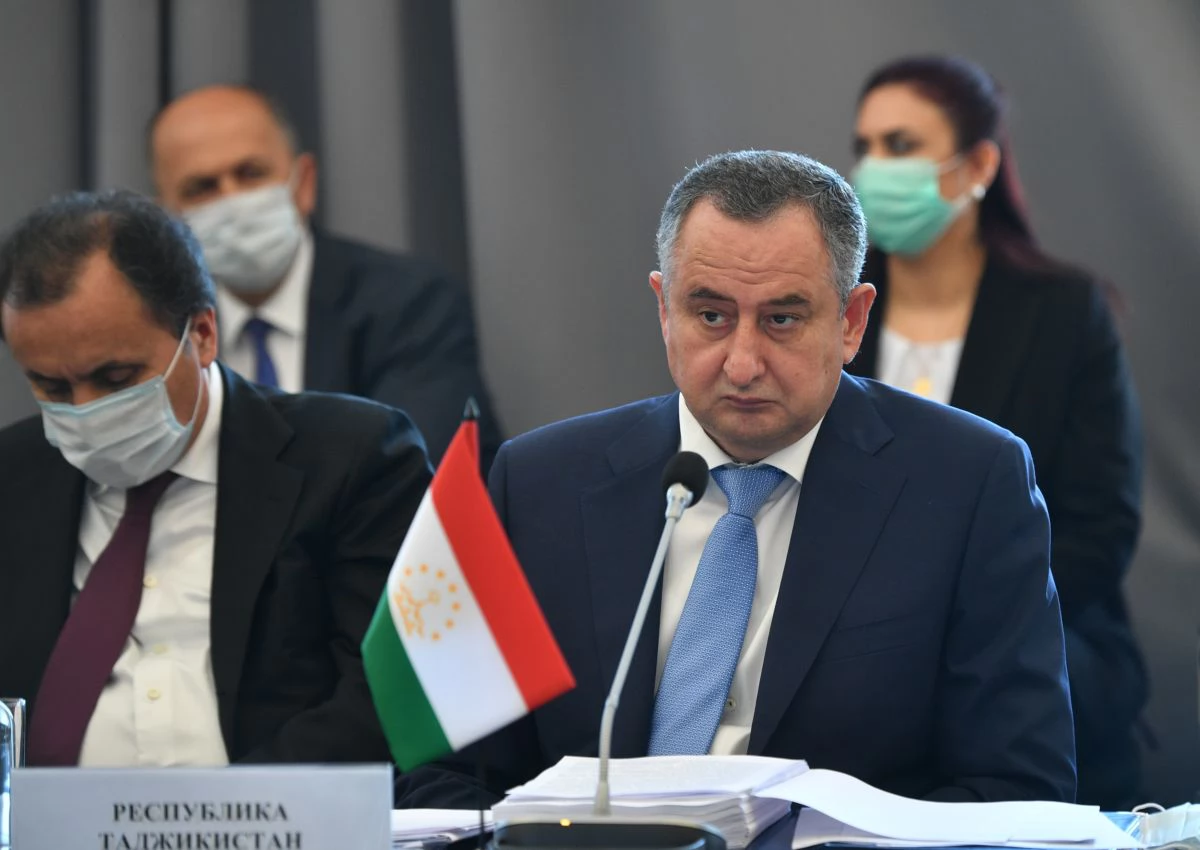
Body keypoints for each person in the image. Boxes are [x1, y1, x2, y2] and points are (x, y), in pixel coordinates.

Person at [394, 150, 1076, 807]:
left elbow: (1018, 787)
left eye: (781, 319)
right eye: (711, 316)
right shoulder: (538, 484)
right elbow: (445, 773)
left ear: (851, 321)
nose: (743, 363)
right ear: (664, 310)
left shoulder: (968, 485)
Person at [0, 190, 430, 768]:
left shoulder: (353, 459)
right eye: (52, 386)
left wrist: (225, 810)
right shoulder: (13, 478)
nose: (85, 410)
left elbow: (387, 698)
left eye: (117, 377)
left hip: (276, 811)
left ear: (202, 334)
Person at [844, 55, 1145, 808]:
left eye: (901, 145)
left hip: (1024, 631)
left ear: (978, 165)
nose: (874, 169)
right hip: (850, 633)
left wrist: (954, 621)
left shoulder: (1066, 312)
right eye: (865, 146)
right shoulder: (831, 306)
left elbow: (1100, 528)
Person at [148, 84, 503, 470]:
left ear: (304, 183)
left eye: (251, 174)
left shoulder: (411, 303)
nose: (232, 200)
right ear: (166, 217)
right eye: (201, 188)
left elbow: (411, 469)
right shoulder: (162, 331)